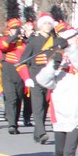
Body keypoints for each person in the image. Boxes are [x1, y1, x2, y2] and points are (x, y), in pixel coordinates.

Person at [19, 12, 62, 144]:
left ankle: (37, 132)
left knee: (44, 104)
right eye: (45, 23)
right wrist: (27, 78)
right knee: (37, 105)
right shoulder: (33, 42)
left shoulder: (55, 41)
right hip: (36, 76)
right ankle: (42, 132)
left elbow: (59, 57)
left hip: (49, 77)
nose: (47, 26)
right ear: (40, 26)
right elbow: (22, 62)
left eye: (49, 23)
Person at [0, 18, 28, 135]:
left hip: (20, 71)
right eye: (13, 29)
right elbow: (2, 46)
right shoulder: (5, 39)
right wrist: (13, 37)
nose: (15, 31)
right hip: (8, 70)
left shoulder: (23, 42)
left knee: (19, 98)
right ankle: (11, 124)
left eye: (17, 29)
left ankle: (15, 122)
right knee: (11, 97)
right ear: (9, 30)